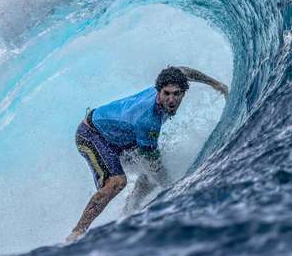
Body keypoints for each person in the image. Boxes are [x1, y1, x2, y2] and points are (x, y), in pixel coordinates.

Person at [66, 66, 229, 241]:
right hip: (91, 135)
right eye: (166, 94)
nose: (171, 100)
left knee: (149, 176)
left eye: (177, 94)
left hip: (123, 139)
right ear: (158, 91)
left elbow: (183, 71)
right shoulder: (148, 120)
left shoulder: (172, 83)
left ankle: (128, 212)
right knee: (116, 182)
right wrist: (172, 188)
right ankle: (76, 233)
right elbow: (153, 162)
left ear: (184, 92)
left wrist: (215, 84)